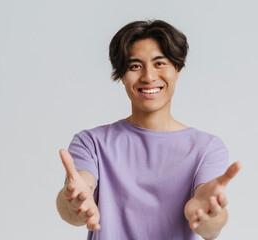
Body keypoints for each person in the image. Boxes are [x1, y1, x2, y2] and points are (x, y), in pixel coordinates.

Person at [56, 19, 241, 240]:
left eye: (159, 63)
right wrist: (75, 201)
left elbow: (211, 225)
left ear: (177, 69)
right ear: (122, 75)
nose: (148, 76)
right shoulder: (92, 142)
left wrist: (209, 215)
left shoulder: (206, 148)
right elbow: (79, 194)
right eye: (135, 66)